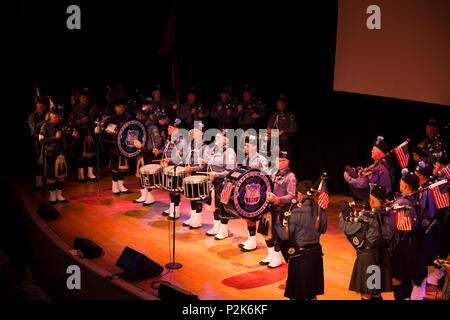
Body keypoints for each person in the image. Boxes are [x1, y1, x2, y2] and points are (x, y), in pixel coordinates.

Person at [339, 185, 396, 300]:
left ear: (372, 200)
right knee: (376, 293)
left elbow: (348, 228)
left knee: (367, 294)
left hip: (369, 259)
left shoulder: (368, 217)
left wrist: (342, 216)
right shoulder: (392, 216)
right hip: (383, 257)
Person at [278, 180, 327, 300]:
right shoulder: (320, 212)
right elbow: (323, 230)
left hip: (300, 258)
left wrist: (278, 223)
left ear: (300, 195)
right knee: (312, 295)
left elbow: (284, 236)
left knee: (297, 295)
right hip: (316, 257)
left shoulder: (295, 213)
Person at [259, 151, 297, 268]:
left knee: (277, 235)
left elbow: (292, 196)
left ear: (287, 162)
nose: (277, 162)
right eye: (276, 159)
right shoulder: (273, 172)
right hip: (269, 207)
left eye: (280, 160)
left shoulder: (290, 176)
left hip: (280, 209)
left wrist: (277, 199)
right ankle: (270, 254)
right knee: (266, 231)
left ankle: (277, 257)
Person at [390, 169, 420, 300]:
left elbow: (398, 226)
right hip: (410, 245)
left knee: (398, 282)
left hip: (401, 247)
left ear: (406, 186)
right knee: (406, 282)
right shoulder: (415, 199)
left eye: (401, 182)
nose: (399, 183)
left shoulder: (403, 204)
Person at [239, 134, 270, 252]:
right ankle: (251, 239)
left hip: (258, 193)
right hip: (248, 192)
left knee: (252, 217)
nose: (245, 148)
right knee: (247, 216)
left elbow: (267, 176)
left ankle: (254, 243)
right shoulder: (246, 158)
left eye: (248, 145)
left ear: (255, 147)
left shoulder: (262, 159)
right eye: (245, 145)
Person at [205, 129, 237, 240]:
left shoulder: (229, 152)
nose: (216, 139)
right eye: (216, 137)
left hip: (224, 183)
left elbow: (230, 171)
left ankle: (223, 231)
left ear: (226, 140)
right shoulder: (215, 149)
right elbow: (210, 161)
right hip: (214, 182)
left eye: (219, 137)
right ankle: (216, 227)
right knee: (215, 206)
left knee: (222, 207)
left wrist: (217, 175)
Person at [411, 161, 436, 299]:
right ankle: (419, 294)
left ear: (422, 177)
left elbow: (430, 214)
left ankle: (418, 295)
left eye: (416, 174)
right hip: (422, 232)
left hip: (425, 233)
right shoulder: (422, 189)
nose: (415, 176)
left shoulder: (428, 191)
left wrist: (421, 230)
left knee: (420, 265)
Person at [39, 108, 75, 204]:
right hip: (51, 155)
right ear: (50, 116)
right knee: (52, 177)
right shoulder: (45, 126)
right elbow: (42, 141)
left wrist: (73, 136)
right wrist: (55, 137)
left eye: (59, 116)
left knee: (61, 176)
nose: (57, 118)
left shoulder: (63, 125)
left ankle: (59, 195)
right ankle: (52, 196)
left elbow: (68, 136)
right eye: (55, 116)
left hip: (62, 155)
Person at [344, 136, 393, 202]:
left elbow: (362, 184)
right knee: (350, 171)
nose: (371, 151)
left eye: (374, 149)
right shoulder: (382, 165)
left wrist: (348, 178)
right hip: (380, 194)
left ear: (379, 152)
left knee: (348, 169)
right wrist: (361, 172)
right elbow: (367, 176)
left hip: (377, 197)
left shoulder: (379, 168)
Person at [103, 98, 133, 195]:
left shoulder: (127, 116)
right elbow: (106, 130)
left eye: (122, 106)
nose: (121, 108)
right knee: (115, 166)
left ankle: (121, 186)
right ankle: (114, 186)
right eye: (119, 107)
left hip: (124, 145)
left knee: (122, 167)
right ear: (115, 108)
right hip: (114, 145)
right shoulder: (110, 117)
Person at [428, 154, 450, 286]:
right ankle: (438, 271)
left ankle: (438, 273)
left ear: (444, 167)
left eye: (437, 164)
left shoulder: (445, 181)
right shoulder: (440, 179)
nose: (434, 166)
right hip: (441, 217)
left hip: (446, 218)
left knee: (443, 244)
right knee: (439, 244)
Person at [70, 88, 100, 182]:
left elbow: (97, 118)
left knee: (91, 155)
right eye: (83, 98)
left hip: (90, 134)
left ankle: (90, 174)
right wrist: (81, 121)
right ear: (79, 98)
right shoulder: (75, 109)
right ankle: (81, 175)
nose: (85, 99)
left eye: (87, 98)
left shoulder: (93, 107)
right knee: (80, 155)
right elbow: (71, 123)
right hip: (80, 134)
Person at [133, 107, 161, 206]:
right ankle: (143, 195)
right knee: (141, 175)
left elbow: (157, 142)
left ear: (148, 115)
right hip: (141, 153)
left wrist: (145, 148)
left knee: (148, 176)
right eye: (140, 114)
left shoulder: (152, 127)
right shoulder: (139, 126)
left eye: (143, 114)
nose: (141, 116)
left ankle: (150, 197)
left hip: (149, 154)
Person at [183, 124, 209, 228]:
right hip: (192, 173)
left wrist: (192, 169)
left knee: (197, 198)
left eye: (197, 131)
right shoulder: (192, 145)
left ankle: (197, 220)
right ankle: (193, 217)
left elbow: (204, 165)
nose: (194, 132)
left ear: (202, 133)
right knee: (191, 197)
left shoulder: (205, 147)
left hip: (199, 175)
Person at [159, 119, 184, 219]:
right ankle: (171, 207)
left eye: (171, 127)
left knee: (175, 190)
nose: (168, 129)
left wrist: (171, 158)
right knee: (170, 189)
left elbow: (183, 155)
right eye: (168, 127)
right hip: (168, 166)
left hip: (176, 167)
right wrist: (159, 151)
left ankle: (176, 212)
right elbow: (166, 149)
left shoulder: (181, 140)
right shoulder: (170, 138)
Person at [267, 94, 297, 163]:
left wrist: (283, 131)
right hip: (274, 140)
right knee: (272, 161)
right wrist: (269, 128)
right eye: (277, 103)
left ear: (284, 104)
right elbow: (270, 124)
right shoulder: (274, 114)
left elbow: (294, 128)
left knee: (284, 160)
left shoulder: (289, 115)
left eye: (280, 103)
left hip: (284, 141)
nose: (278, 105)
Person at [28, 96, 48, 188]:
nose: (43, 108)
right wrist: (45, 120)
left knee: (48, 162)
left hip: (48, 142)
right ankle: (39, 182)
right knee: (38, 163)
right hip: (38, 143)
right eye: (41, 106)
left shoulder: (47, 114)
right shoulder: (32, 116)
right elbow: (34, 130)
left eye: (44, 106)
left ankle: (48, 180)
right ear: (37, 106)